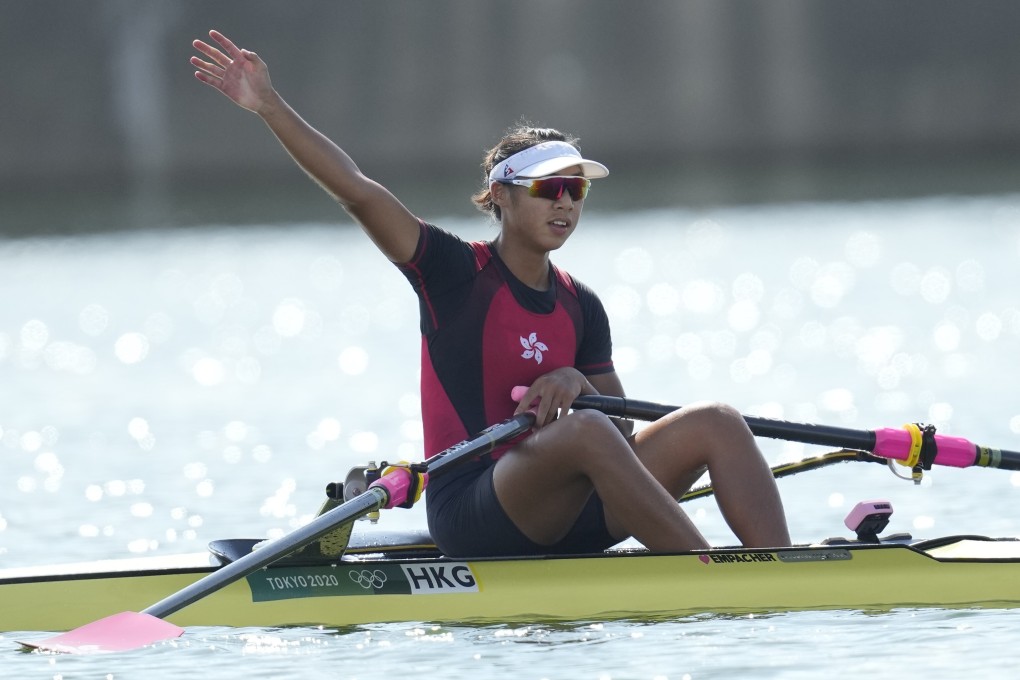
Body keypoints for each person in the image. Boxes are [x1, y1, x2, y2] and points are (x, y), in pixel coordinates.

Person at [190, 30, 791, 557]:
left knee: (717, 421)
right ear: (500, 196)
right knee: (584, 432)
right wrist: (268, 106)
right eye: (548, 188)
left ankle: (783, 575)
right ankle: (707, 573)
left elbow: (624, 436)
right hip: (474, 510)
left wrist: (577, 383)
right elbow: (358, 192)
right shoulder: (453, 274)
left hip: (572, 505)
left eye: (576, 190)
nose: (565, 202)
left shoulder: (581, 303)